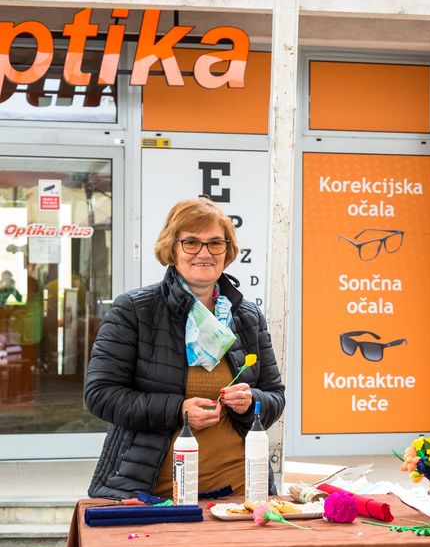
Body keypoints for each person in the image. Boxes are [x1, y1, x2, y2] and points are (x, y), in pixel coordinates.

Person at [85, 197, 285, 499]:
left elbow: (275, 396)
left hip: (241, 495)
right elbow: (100, 395)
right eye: (191, 242)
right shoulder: (134, 310)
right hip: (157, 495)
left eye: (215, 243)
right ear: (172, 248)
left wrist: (251, 401)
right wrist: (177, 410)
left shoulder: (247, 316)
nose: (204, 253)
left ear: (227, 250)